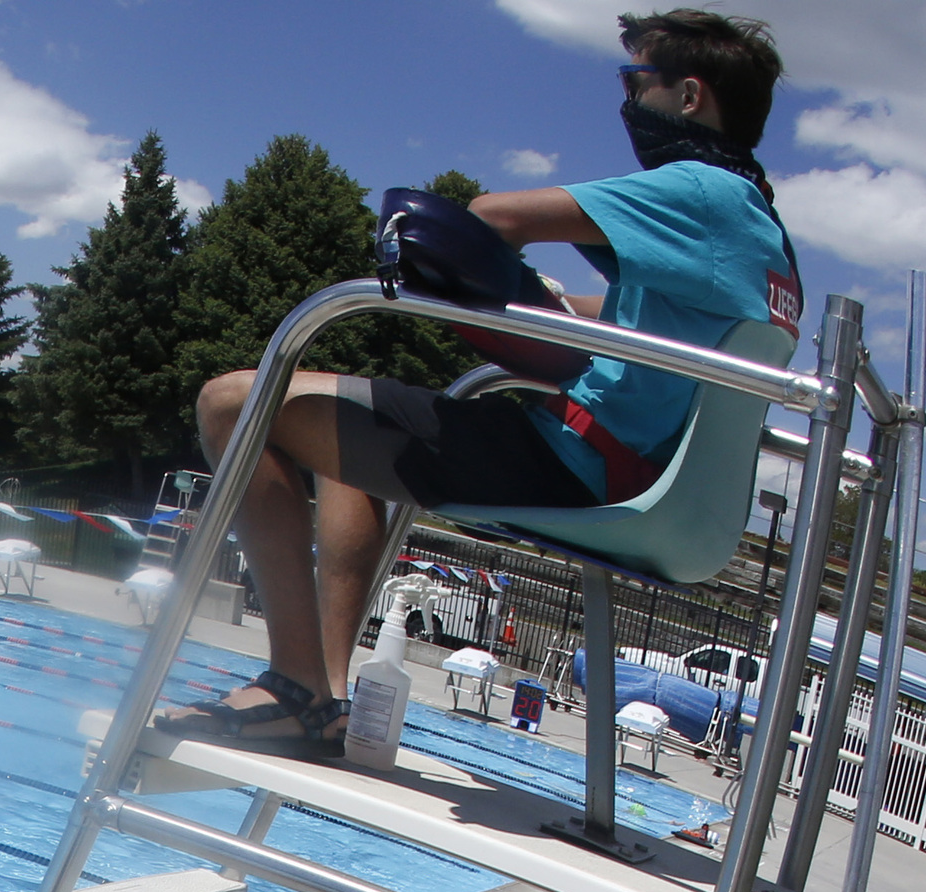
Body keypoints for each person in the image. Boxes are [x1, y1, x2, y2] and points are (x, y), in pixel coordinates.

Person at [165, 11, 797, 753]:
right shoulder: (768, 242)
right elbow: (654, 329)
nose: (626, 102)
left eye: (636, 83)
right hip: (636, 481)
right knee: (343, 435)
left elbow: (492, 218)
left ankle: (294, 684)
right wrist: (561, 306)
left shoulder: (703, 190)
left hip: (570, 462)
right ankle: (323, 694)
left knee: (235, 401)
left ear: (690, 98)